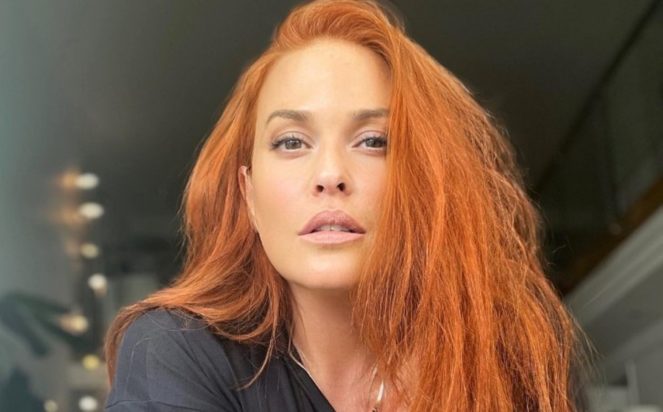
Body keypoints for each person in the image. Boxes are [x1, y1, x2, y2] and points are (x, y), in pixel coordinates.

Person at [103, 0, 592, 410]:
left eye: (373, 141)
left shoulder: (515, 360)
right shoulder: (175, 351)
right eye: (291, 142)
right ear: (248, 195)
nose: (330, 175)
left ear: (426, 182)